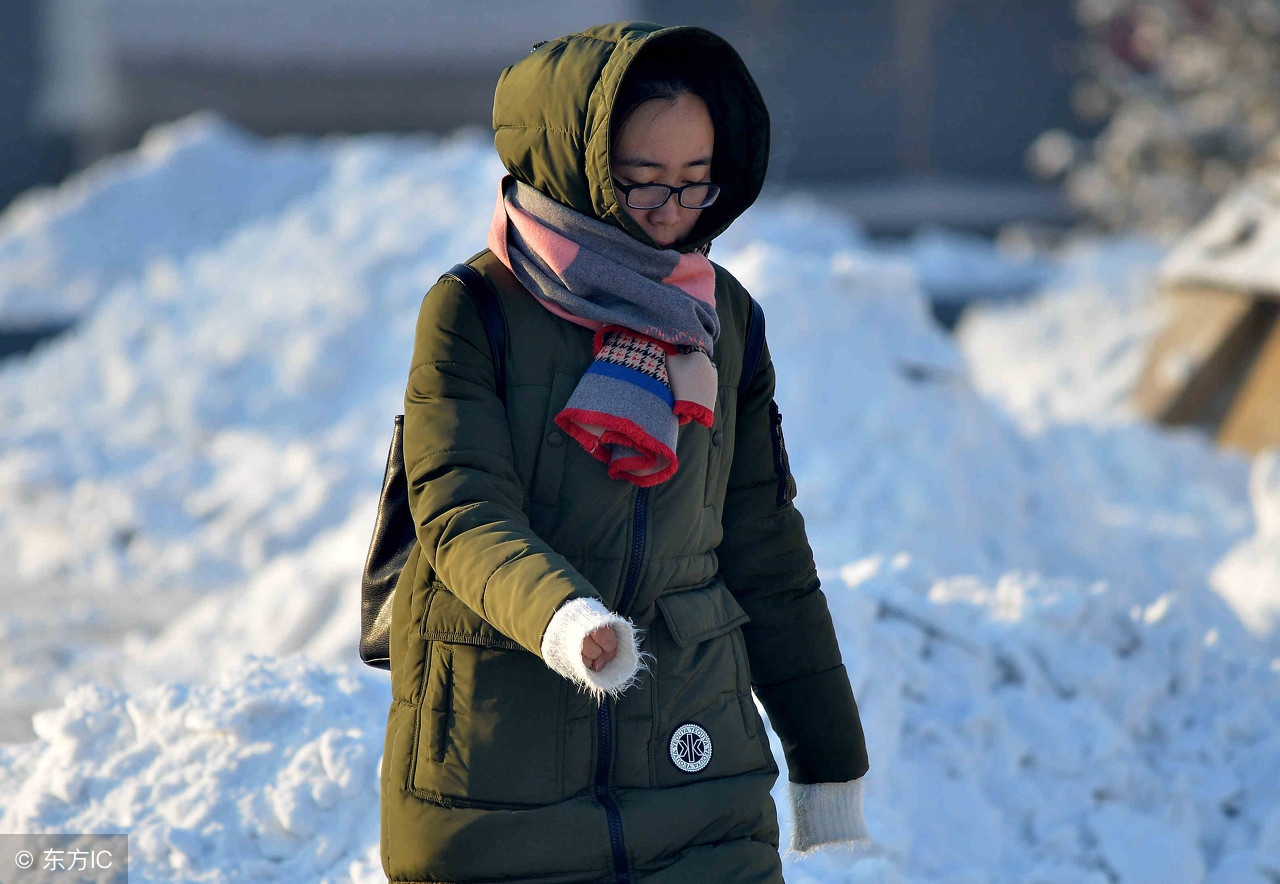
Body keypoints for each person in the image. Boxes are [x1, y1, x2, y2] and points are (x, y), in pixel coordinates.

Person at [380, 21, 870, 884]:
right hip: (499, 776)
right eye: (643, 185)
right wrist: (567, 619)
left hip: (695, 761)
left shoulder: (722, 316)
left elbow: (761, 539)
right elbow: (461, 512)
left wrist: (826, 750)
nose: (673, 216)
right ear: (581, 168)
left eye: (694, 184)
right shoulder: (474, 309)